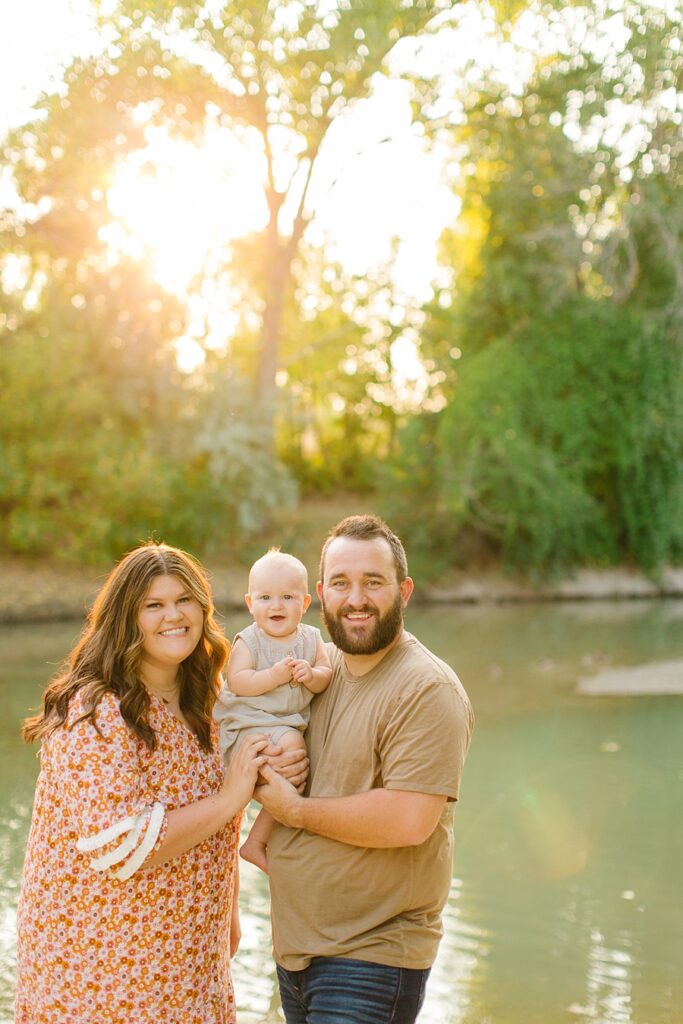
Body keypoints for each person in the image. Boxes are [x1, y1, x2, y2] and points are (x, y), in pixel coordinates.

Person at [15, 542, 306, 1024]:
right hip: (98, 966)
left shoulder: (212, 702)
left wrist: (228, 909)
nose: (173, 615)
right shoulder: (94, 709)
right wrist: (233, 794)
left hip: (189, 957)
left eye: (184, 600)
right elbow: (121, 842)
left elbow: (222, 812)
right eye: (154, 605)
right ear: (126, 618)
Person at [254, 515, 475, 1024]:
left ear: (404, 591)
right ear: (320, 594)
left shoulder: (425, 689)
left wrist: (296, 810)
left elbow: (409, 819)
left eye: (373, 582)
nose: (356, 598)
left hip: (371, 960)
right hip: (297, 952)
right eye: (341, 583)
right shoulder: (316, 671)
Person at [214, 550, 332, 872]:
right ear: (250, 604)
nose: (276, 606)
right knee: (294, 755)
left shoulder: (311, 639)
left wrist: (312, 674)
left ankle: (255, 841)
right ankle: (258, 839)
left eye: (287, 597)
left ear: (305, 604)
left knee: (297, 773)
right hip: (248, 722)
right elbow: (237, 682)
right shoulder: (249, 641)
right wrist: (274, 676)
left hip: (284, 723)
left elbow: (325, 673)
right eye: (265, 597)